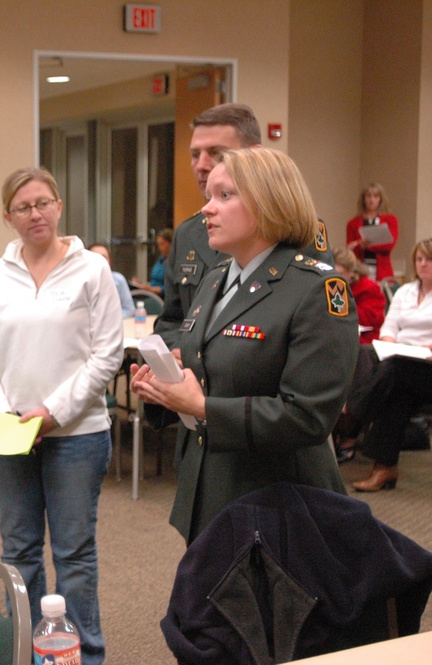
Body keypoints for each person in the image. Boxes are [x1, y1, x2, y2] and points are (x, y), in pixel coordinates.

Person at [130, 148, 357, 545]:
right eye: (209, 196)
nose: (206, 209)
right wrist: (166, 391)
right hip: (211, 488)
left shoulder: (314, 289)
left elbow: (308, 416)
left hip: (279, 501)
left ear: (270, 201)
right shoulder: (216, 277)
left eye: (224, 195)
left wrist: (201, 406)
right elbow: (208, 371)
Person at [0, 167, 123, 665]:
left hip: (77, 434)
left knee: (74, 556)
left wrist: (51, 414)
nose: (35, 214)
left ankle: (84, 657)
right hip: (10, 433)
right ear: (7, 217)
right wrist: (5, 414)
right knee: (19, 554)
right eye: (22, 207)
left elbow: (107, 354)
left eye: (43, 203)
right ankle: (27, 655)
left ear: (58, 205)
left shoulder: (91, 269)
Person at [155, 103, 332, 351]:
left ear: (255, 154)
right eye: (195, 155)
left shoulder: (293, 227)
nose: (202, 165)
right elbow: (172, 320)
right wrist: (180, 353)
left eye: (217, 153)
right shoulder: (188, 232)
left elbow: (312, 317)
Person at [332, 239, 432, 490]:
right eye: (419, 259)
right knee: (368, 354)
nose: (423, 264)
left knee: (396, 370)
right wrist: (389, 342)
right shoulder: (405, 291)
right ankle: (385, 468)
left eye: (428, 259)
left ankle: (351, 417)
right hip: (400, 358)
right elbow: (389, 326)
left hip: (427, 363)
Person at [332, 247, 385, 345]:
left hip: (364, 339)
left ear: (351, 272)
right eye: (332, 274)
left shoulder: (369, 287)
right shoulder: (325, 285)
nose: (335, 278)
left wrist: (341, 299)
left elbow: (369, 320)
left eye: (340, 274)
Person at [346, 183, 399, 281]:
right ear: (363, 199)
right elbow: (350, 249)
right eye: (368, 196)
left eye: (375, 196)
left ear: (380, 199)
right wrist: (360, 246)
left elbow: (389, 244)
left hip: (382, 271)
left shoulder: (390, 220)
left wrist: (366, 245)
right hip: (360, 269)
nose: (372, 200)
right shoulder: (353, 223)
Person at [89, 242, 135, 318]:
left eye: (104, 257)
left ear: (109, 262)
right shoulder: (79, 282)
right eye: (95, 257)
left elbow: (129, 309)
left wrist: (110, 319)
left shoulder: (118, 280)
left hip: (113, 325)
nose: (100, 261)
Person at [130, 228, 172, 296]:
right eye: (158, 245)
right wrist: (141, 284)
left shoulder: (175, 263)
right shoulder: (161, 260)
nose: (160, 248)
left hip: (162, 297)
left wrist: (150, 289)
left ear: (171, 244)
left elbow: (170, 289)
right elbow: (154, 282)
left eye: (162, 244)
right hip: (152, 293)